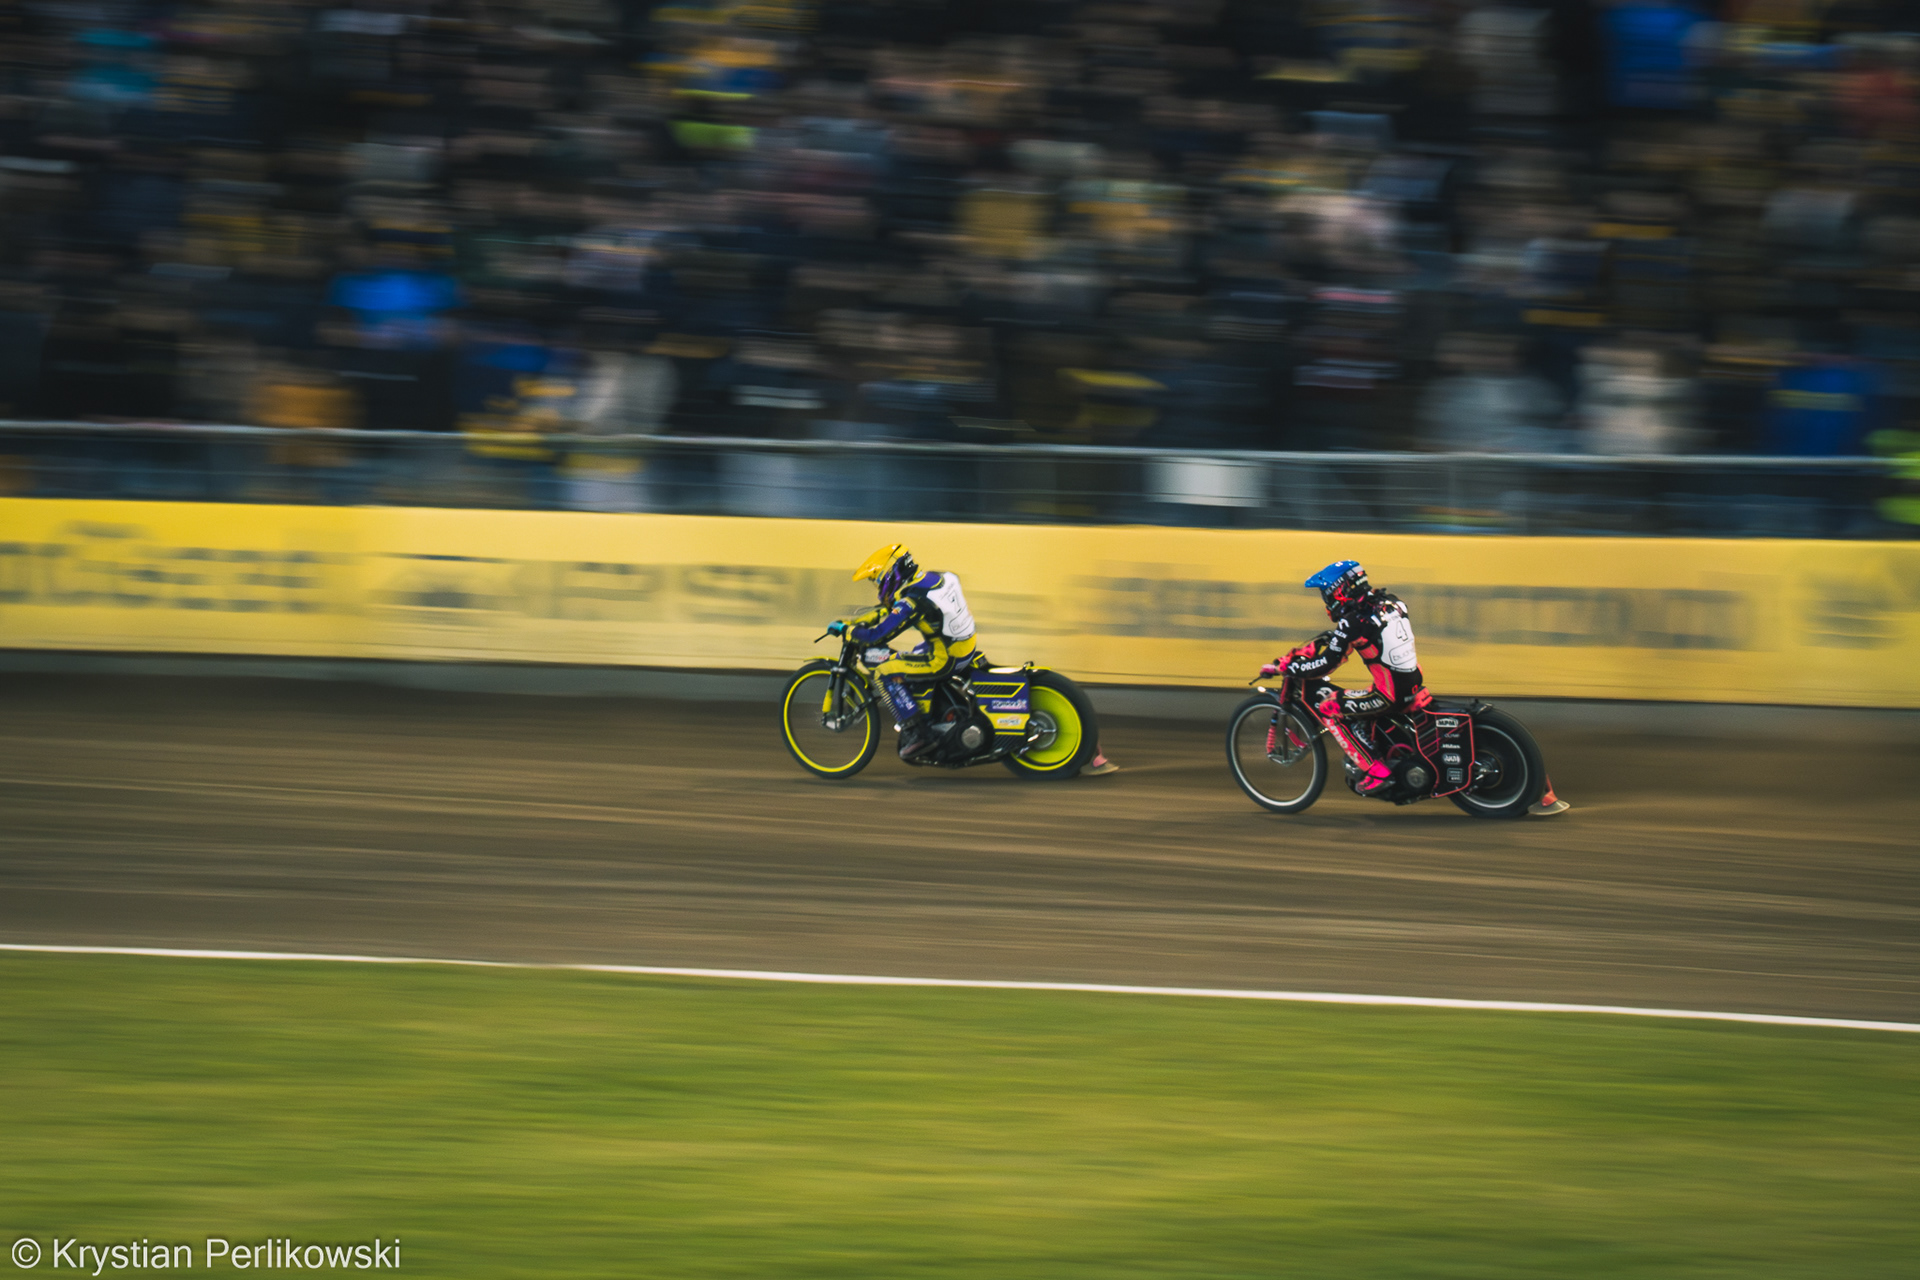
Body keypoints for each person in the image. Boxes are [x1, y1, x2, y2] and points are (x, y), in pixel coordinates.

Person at [1264, 560, 1426, 795]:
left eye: (1326, 595)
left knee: (1329, 706)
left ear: (1339, 591)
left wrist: (1289, 668)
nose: (1326, 601)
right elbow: (1369, 633)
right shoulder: (1393, 602)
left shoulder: (1352, 622)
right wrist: (1337, 638)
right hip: (1413, 682)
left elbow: (1325, 665)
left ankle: (1376, 770)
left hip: (1388, 695)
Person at [831, 544, 978, 760]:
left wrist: (847, 630)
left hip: (946, 657)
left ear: (890, 575)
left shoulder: (913, 601)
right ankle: (931, 710)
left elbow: (877, 636)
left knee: (885, 671)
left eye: (877, 581)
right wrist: (879, 613)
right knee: (910, 655)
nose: (878, 587)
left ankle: (919, 733)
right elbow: (906, 608)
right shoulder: (934, 578)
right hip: (962, 645)